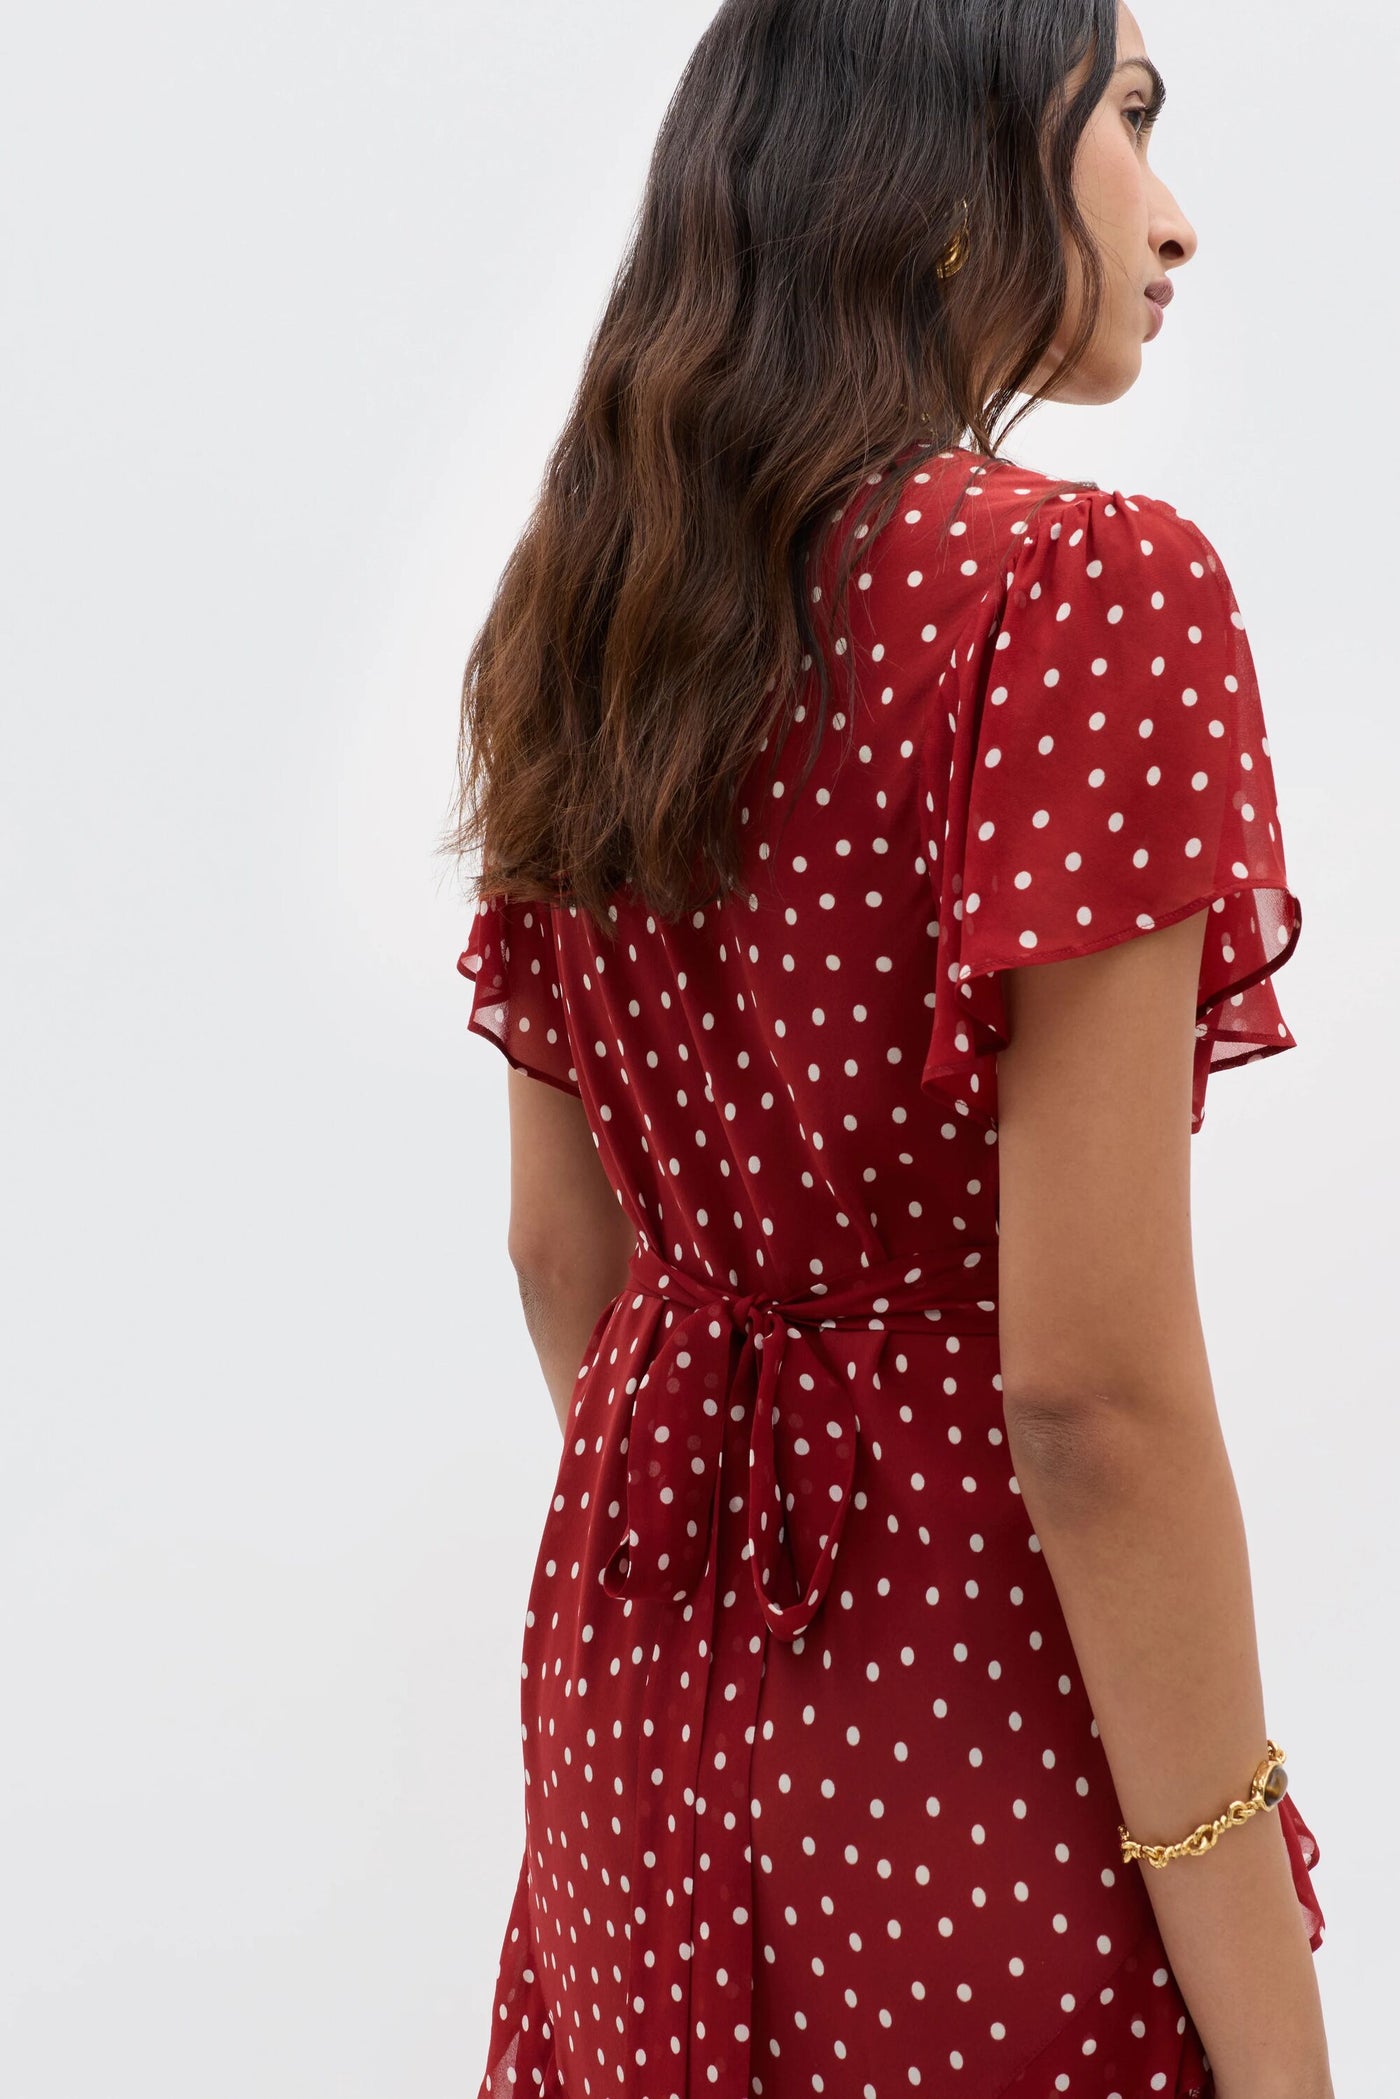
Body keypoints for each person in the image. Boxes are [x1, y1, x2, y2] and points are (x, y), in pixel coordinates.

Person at [444, 3, 1332, 2093]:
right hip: (965, 1738)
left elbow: (561, 1254)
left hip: (632, 1727)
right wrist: (1279, 2042)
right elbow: (1089, 1403)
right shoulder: (1079, 594)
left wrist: (745, 1527)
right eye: (1126, 121)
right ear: (945, 165)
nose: (1173, 217)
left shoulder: (601, 592)